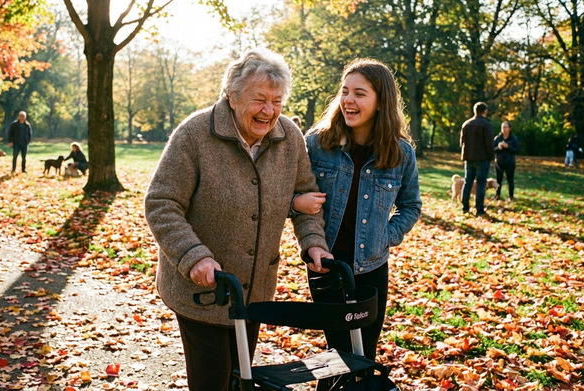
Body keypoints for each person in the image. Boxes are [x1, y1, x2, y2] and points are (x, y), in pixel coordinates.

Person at [143, 48, 331, 391]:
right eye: (259, 99)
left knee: (240, 376)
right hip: (202, 292)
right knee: (213, 381)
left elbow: (307, 199)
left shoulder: (289, 137)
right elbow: (161, 202)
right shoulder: (195, 134)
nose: (269, 110)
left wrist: (314, 243)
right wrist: (194, 255)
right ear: (232, 97)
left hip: (254, 290)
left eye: (276, 101)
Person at [292, 58, 421, 389]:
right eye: (345, 91)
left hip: (373, 268)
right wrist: (311, 244)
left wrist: (385, 236)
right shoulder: (318, 143)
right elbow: (299, 201)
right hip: (327, 267)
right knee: (337, 354)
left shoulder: (401, 153)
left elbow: (411, 205)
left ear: (381, 102)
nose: (348, 100)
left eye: (360, 93)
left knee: (365, 356)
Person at [460, 102, 494, 216]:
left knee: (467, 182)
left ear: (474, 111)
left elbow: (462, 142)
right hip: (482, 158)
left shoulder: (466, 124)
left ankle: (465, 207)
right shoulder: (486, 125)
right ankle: (479, 209)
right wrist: (491, 157)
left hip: (469, 158)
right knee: (481, 184)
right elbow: (489, 143)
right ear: (485, 112)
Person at [493, 121, 520, 202]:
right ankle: (497, 195)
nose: (504, 129)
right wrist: (498, 148)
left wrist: (508, 147)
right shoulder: (497, 138)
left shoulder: (513, 138)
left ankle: (511, 197)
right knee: (498, 180)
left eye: (505, 127)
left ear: (509, 128)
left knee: (510, 180)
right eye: (502, 128)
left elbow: (517, 150)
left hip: (510, 162)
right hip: (499, 162)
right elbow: (492, 149)